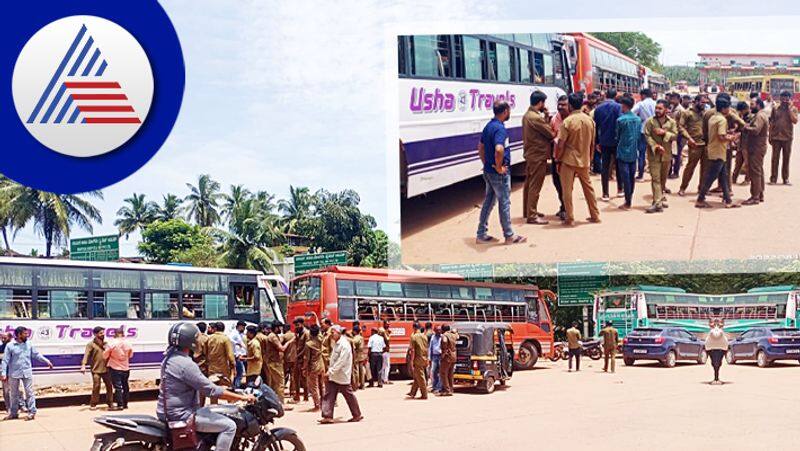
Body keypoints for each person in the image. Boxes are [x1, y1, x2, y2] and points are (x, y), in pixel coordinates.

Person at [157, 323, 256, 451]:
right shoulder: (186, 364)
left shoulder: (168, 359)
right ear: (190, 341)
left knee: (212, 409)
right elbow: (212, 390)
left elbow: (190, 381)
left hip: (165, 411)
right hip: (182, 414)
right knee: (229, 426)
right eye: (196, 338)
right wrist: (242, 397)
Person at [476, 100, 527, 244]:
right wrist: (498, 167)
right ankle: (509, 235)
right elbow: (499, 149)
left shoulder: (488, 126)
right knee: (504, 202)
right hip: (499, 174)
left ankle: (481, 234)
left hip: (488, 171)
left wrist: (487, 163)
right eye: (509, 110)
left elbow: (480, 147)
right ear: (505, 111)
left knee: (489, 202)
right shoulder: (500, 129)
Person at [555, 92, 601, 226]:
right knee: (589, 189)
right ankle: (595, 215)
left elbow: (561, 143)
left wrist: (558, 159)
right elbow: (592, 143)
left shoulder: (567, 122)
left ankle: (570, 218)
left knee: (567, 191)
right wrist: (590, 158)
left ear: (569, 105)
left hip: (568, 160)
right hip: (584, 160)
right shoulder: (590, 121)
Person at [1, 326, 53, 420]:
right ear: (19, 335)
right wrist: (3, 373)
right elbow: (5, 360)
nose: (27, 335)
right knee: (13, 394)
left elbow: (36, 355)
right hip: (14, 373)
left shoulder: (29, 344)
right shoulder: (10, 346)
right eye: (25, 334)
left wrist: (46, 361)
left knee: (29, 392)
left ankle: (32, 412)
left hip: (27, 372)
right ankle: (13, 413)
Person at [696, 97, 739, 209]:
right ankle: (700, 199)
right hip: (719, 151)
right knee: (711, 176)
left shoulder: (713, 118)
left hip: (714, 149)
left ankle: (728, 200)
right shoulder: (722, 120)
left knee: (723, 176)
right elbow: (721, 136)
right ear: (724, 108)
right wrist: (732, 138)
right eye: (728, 107)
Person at [522, 90, 556, 223]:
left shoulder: (527, 115)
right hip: (538, 155)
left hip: (531, 154)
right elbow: (550, 133)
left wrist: (545, 116)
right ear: (540, 102)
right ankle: (532, 215)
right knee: (535, 185)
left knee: (529, 184)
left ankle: (528, 210)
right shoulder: (535, 118)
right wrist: (547, 117)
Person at [319, 326, 363, 424]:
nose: (331, 335)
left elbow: (341, 361)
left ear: (339, 333)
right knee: (329, 394)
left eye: (333, 333)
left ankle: (357, 414)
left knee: (348, 395)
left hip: (341, 374)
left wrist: (330, 371)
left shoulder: (344, 345)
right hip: (334, 374)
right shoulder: (336, 343)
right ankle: (327, 416)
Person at [643, 99, 678, 213]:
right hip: (654, 155)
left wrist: (665, 133)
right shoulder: (650, 122)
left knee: (663, 179)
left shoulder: (671, 122)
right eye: (656, 108)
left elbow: (675, 135)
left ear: (666, 110)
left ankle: (658, 199)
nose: (657, 110)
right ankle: (657, 203)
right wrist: (656, 146)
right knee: (655, 178)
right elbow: (647, 136)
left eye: (660, 108)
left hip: (666, 155)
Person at [593, 88, 623, 201]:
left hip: (604, 141)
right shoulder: (619, 107)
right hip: (617, 140)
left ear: (605, 95)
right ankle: (620, 189)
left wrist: (597, 142)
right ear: (615, 95)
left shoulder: (598, 109)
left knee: (605, 167)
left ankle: (605, 193)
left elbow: (596, 127)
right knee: (618, 165)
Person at [615, 95, 642, 209]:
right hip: (633, 151)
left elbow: (617, 136)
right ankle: (629, 197)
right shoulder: (638, 119)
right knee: (631, 176)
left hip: (622, 151)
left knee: (625, 177)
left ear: (624, 106)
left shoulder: (620, 120)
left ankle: (627, 201)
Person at [677, 95, 708, 196]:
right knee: (690, 167)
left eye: (705, 103)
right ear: (696, 102)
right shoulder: (687, 113)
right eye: (702, 102)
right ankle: (683, 187)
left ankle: (702, 188)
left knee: (705, 168)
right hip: (694, 144)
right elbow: (680, 127)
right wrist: (688, 138)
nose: (704, 105)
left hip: (705, 144)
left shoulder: (704, 114)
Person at [742, 97, 770, 205]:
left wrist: (745, 127)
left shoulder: (759, 116)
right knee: (758, 171)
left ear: (758, 105)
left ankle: (755, 197)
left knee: (755, 172)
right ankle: (760, 194)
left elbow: (756, 130)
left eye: (752, 105)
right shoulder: (760, 115)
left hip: (756, 147)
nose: (750, 107)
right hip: (757, 146)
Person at [768, 90, 798, 185]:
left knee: (786, 159)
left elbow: (795, 121)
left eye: (786, 98)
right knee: (775, 159)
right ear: (780, 98)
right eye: (782, 97)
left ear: (789, 99)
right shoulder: (775, 108)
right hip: (776, 137)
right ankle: (773, 179)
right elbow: (771, 122)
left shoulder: (793, 109)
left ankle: (785, 179)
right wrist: (770, 135)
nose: (784, 99)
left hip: (787, 138)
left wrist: (789, 108)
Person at [81, 326, 113, 410]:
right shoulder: (91, 344)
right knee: (96, 386)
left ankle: (110, 403)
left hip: (107, 369)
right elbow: (86, 355)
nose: (103, 335)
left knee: (109, 386)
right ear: (95, 334)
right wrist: (83, 365)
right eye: (100, 333)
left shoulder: (106, 344)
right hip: (96, 370)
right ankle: (93, 404)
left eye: (103, 333)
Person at [104, 327, 133, 410]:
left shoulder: (112, 343)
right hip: (126, 368)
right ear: (122, 334)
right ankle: (125, 404)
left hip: (115, 367)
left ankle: (119, 405)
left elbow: (105, 355)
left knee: (118, 387)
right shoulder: (128, 343)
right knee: (125, 386)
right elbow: (131, 355)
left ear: (115, 334)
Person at [206, 322, 236, 404]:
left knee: (213, 389)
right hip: (223, 369)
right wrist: (233, 366)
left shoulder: (209, 338)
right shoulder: (225, 339)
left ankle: (214, 407)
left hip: (211, 369)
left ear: (215, 329)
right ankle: (231, 406)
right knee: (228, 388)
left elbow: (205, 353)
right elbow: (230, 355)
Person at [550, 95, 569, 220]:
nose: (560, 107)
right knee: (557, 183)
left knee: (567, 185)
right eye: (559, 104)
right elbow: (551, 134)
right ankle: (563, 206)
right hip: (555, 156)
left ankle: (567, 209)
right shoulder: (554, 119)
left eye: (564, 104)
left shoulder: (571, 120)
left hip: (567, 158)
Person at [632, 88, 657, 179]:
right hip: (655, 130)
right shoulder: (656, 104)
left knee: (641, 153)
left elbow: (632, 113)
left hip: (643, 130)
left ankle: (641, 174)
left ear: (643, 95)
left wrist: (640, 119)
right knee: (654, 152)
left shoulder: (641, 104)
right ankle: (655, 174)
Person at [303, 324, 325, 411]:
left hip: (313, 367)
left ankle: (317, 405)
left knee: (314, 387)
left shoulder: (309, 344)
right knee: (322, 386)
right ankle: (324, 403)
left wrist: (304, 368)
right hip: (321, 365)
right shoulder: (320, 339)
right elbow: (319, 331)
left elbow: (306, 358)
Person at [264, 321, 287, 402]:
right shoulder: (273, 336)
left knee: (274, 383)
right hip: (275, 363)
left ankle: (275, 401)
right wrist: (289, 342)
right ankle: (281, 402)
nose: (281, 329)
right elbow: (282, 348)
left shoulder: (273, 336)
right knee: (280, 383)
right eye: (280, 327)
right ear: (276, 327)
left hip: (273, 362)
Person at [290, 317, 310, 403]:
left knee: (303, 378)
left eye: (298, 325)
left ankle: (306, 396)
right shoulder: (298, 333)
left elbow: (306, 347)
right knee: (295, 378)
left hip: (302, 359)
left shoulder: (306, 333)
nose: (296, 327)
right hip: (297, 359)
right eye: (295, 326)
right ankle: (297, 396)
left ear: (302, 324)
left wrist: (299, 355)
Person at [406, 325, 429, 400]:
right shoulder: (424, 336)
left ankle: (424, 394)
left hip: (418, 359)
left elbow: (412, 350)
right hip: (424, 358)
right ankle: (412, 392)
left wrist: (412, 361)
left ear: (414, 328)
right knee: (417, 377)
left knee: (421, 377)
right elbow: (426, 348)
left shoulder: (414, 336)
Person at [704, 319, 729, 385]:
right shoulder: (719, 332)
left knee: (715, 364)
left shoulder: (713, 332)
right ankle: (716, 378)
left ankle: (716, 378)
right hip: (720, 349)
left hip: (712, 349)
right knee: (717, 364)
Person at [438, 324, 458, 397]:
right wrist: (454, 331)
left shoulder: (444, 336)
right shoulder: (453, 335)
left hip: (447, 356)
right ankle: (451, 389)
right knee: (450, 374)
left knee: (443, 373)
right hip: (454, 356)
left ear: (443, 329)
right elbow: (457, 335)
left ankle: (447, 390)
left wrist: (442, 356)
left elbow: (445, 345)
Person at [228, 321, 247, 389]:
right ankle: (236, 387)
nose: (244, 329)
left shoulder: (240, 334)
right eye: (243, 327)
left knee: (239, 372)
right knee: (239, 372)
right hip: (236, 355)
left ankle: (235, 386)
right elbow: (229, 339)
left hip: (241, 355)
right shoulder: (234, 333)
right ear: (239, 326)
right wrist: (236, 343)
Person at [281, 323, 296, 393]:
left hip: (286, 358)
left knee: (283, 375)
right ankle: (292, 391)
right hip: (294, 358)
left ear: (285, 328)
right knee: (293, 375)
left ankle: (281, 389)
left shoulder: (284, 336)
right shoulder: (294, 335)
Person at [427, 325, 443, 394]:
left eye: (439, 330)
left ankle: (439, 387)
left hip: (440, 356)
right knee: (433, 372)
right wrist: (429, 358)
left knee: (440, 373)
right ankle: (434, 386)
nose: (438, 331)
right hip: (434, 356)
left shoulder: (443, 337)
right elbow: (430, 347)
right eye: (437, 330)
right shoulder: (433, 337)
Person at [350, 326, 366, 391]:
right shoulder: (361, 337)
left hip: (357, 356)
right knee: (361, 371)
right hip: (361, 355)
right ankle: (362, 384)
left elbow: (353, 344)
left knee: (356, 371)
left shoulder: (356, 338)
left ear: (354, 331)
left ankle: (356, 385)